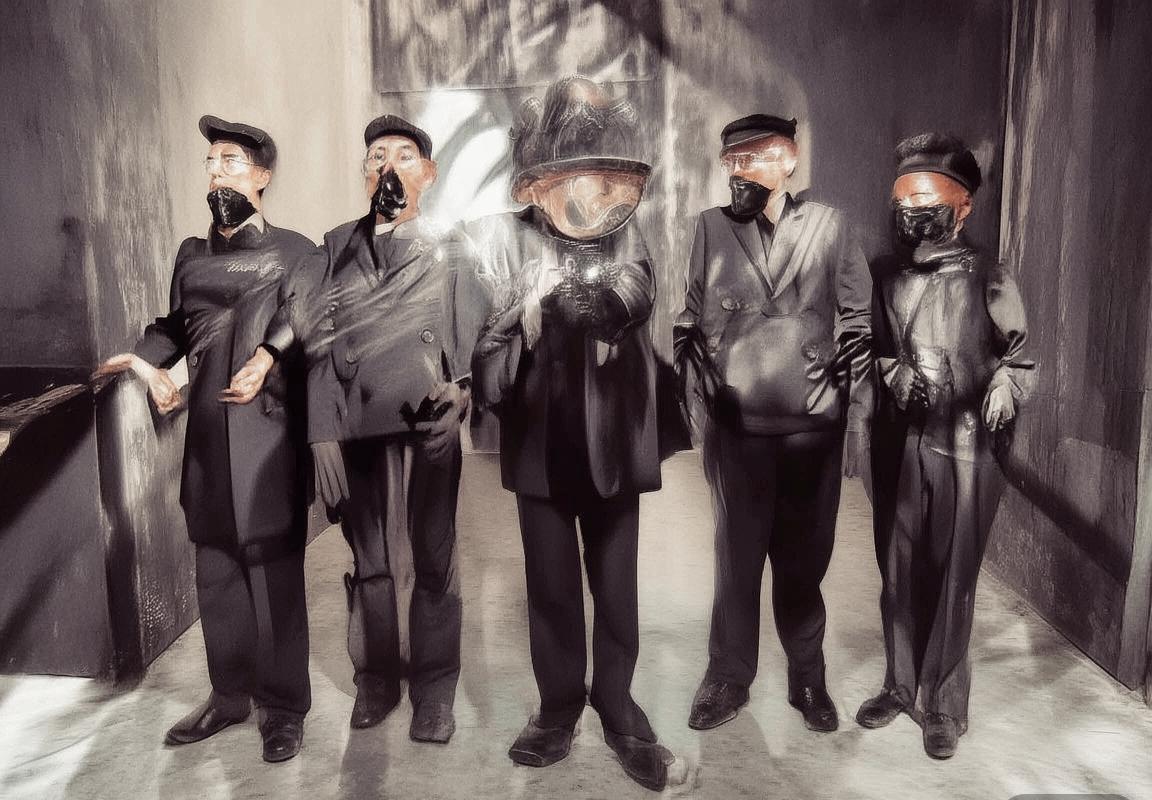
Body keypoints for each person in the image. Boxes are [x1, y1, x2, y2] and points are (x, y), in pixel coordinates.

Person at [238, 114, 485, 743]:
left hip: (428, 424)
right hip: (358, 426)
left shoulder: (453, 246)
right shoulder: (335, 246)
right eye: (377, 155)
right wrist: (322, 430)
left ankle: (435, 688)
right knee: (371, 560)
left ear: (428, 174)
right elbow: (315, 339)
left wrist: (463, 396)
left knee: (433, 559)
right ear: (365, 173)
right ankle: (376, 678)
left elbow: (476, 335)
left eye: (404, 155)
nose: (389, 166)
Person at [470, 75, 684, 793]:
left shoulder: (626, 225)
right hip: (539, 441)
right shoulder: (507, 237)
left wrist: (580, 295)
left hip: (614, 437)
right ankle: (558, 707)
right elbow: (489, 337)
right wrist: (521, 315)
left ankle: (618, 708)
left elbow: (636, 292)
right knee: (551, 587)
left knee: (616, 587)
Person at [93, 116, 314, 763]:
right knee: (216, 574)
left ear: (262, 177)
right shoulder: (191, 256)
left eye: (231, 161)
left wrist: (271, 362)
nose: (217, 172)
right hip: (208, 442)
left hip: (270, 440)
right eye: (211, 161)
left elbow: (309, 324)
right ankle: (228, 695)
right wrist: (144, 364)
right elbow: (174, 327)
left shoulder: (298, 253)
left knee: (274, 581)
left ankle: (284, 708)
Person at [673, 113, 873, 734]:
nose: (740, 170)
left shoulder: (830, 225)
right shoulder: (710, 227)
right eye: (732, 160)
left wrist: (853, 411)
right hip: (739, 429)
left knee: (803, 562)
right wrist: (701, 398)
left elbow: (858, 319)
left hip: (812, 425)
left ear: (788, 161)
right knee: (736, 561)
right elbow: (688, 318)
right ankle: (728, 677)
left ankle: (807, 678)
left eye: (754, 157)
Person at [856, 133, 1032, 759]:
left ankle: (945, 706)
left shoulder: (990, 274)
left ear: (963, 206)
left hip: (966, 449)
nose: (913, 211)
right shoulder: (886, 276)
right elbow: (872, 346)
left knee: (953, 573)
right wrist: (890, 372)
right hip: (902, 443)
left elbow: (1020, 355)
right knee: (898, 567)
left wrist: (1007, 384)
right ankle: (900, 686)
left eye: (928, 199)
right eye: (904, 199)